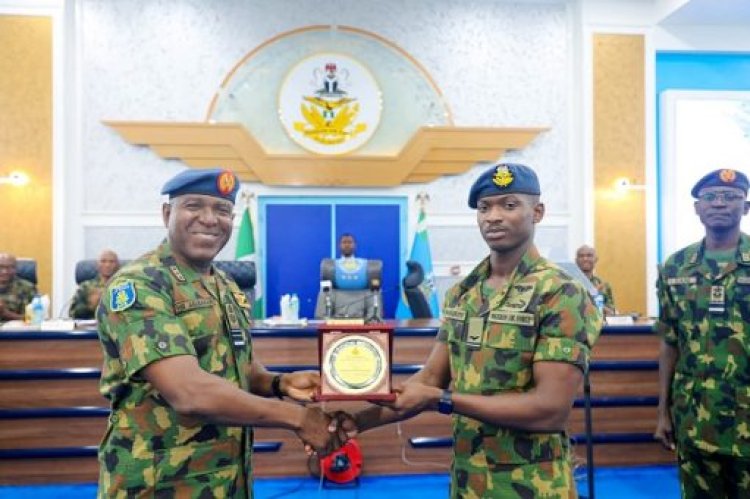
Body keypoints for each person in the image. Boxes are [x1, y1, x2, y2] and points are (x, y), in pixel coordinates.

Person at [339, 163, 603, 497]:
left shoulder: (560, 292)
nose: (493, 216)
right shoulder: (464, 293)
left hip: (533, 484)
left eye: (509, 205)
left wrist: (442, 400)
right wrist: (357, 421)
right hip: (468, 480)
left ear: (537, 212)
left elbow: (549, 409)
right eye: (484, 207)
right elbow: (431, 379)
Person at [96, 168, 344, 497]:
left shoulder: (225, 286)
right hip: (159, 481)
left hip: (227, 477)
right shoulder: (141, 284)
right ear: (167, 213)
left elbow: (236, 367)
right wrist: (297, 418)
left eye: (222, 210)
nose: (210, 219)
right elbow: (189, 391)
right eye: (194, 206)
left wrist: (278, 383)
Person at [654, 168, 750, 498]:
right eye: (710, 197)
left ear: (746, 207)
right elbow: (669, 343)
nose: (719, 204)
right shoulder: (676, 267)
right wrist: (662, 411)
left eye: (731, 197)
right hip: (694, 417)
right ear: (697, 208)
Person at [68, 249, 120, 319]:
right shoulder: (85, 287)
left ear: (117, 265)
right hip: (92, 327)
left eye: (111, 262)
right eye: (103, 261)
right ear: (97, 265)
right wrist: (90, 306)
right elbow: (73, 314)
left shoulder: (126, 287)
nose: (107, 265)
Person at [575, 244, 617, 315]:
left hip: (599, 325)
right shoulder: (569, 284)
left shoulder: (604, 286)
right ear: (576, 261)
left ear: (596, 259)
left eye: (589, 255)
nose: (585, 258)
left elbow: (611, 313)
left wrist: (595, 302)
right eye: (581, 256)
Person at [0, 253, 38, 322]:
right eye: (1, 267)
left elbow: (35, 319)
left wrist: (6, 314)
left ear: (15, 269)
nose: (4, 271)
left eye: (9, 267)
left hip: (15, 331)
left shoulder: (27, 288)